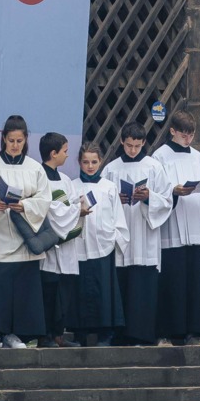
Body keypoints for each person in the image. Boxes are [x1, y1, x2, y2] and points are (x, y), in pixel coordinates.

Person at [0, 114, 51, 349]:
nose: (15, 145)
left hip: (23, 237)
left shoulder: (35, 168)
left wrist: (25, 206)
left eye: (19, 141)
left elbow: (44, 199)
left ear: (26, 140)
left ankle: (17, 334)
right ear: (3, 139)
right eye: (11, 141)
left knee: (22, 289)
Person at [100, 121, 171, 345]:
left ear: (143, 144)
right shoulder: (111, 168)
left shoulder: (153, 167)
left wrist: (149, 197)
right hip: (122, 234)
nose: (132, 150)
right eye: (129, 145)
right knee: (121, 283)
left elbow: (167, 200)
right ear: (122, 142)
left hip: (144, 233)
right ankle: (119, 335)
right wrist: (116, 200)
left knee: (142, 286)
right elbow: (101, 199)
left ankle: (142, 334)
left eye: (137, 146)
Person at [152, 110, 200, 347]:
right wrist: (173, 192)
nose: (188, 139)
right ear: (173, 132)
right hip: (172, 227)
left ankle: (194, 333)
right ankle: (166, 333)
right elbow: (156, 191)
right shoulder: (160, 157)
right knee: (171, 282)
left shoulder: (197, 156)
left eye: (191, 135)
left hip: (194, 224)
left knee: (193, 282)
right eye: (184, 135)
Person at [68, 141, 126, 346]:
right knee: (80, 290)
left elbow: (118, 217)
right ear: (79, 162)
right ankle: (80, 333)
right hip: (80, 245)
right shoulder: (72, 186)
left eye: (94, 162)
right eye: (85, 162)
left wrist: (114, 237)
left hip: (103, 245)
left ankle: (105, 333)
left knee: (104, 289)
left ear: (100, 162)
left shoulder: (109, 187)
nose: (90, 166)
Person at [34, 131, 83, 347]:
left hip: (67, 247)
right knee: (48, 293)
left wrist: (78, 207)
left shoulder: (64, 179)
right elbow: (47, 208)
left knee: (65, 291)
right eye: (64, 151)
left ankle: (59, 334)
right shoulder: (38, 177)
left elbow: (72, 203)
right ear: (53, 153)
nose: (67, 155)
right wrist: (75, 211)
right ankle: (45, 336)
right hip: (49, 246)